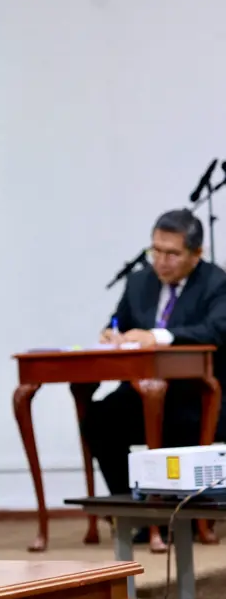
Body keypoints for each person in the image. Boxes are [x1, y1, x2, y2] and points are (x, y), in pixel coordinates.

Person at [82, 209, 226, 543]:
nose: (161, 261)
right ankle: (140, 512)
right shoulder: (139, 282)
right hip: (141, 391)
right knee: (98, 420)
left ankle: (182, 518)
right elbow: (118, 321)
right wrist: (110, 333)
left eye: (172, 254)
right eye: (155, 251)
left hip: (199, 396)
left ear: (196, 254)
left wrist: (159, 336)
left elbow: (216, 329)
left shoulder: (216, 283)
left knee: (176, 423)